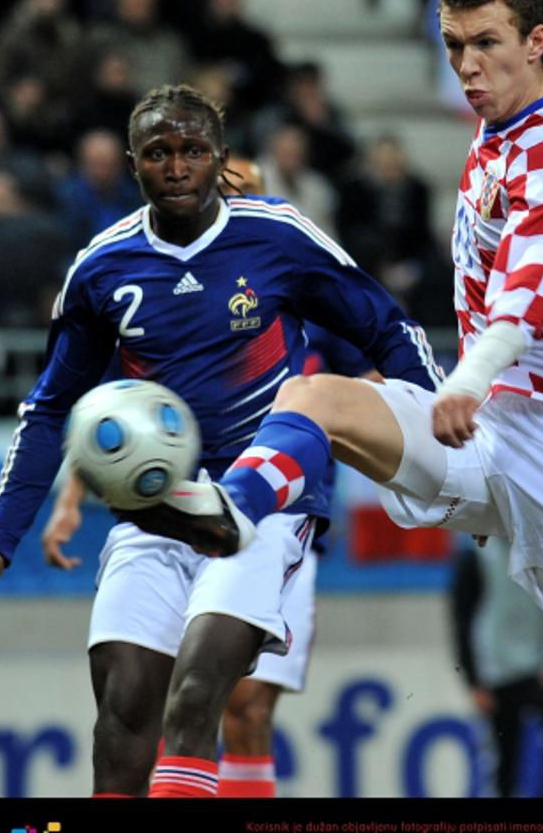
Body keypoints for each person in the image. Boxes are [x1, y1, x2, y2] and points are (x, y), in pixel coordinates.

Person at [135, 0, 543, 750]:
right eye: (453, 47)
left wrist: (467, 381)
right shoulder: (511, 116)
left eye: (486, 44)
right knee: (315, 397)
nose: (467, 67)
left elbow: (531, 291)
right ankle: (229, 513)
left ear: (538, 44)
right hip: (484, 432)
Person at [0, 84, 442, 798]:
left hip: (263, 508)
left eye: (193, 150)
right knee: (122, 720)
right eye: (158, 153)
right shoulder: (102, 268)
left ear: (220, 158)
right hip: (154, 509)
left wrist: (446, 456)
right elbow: (48, 412)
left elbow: (387, 328)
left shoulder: (278, 235)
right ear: (133, 164)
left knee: (199, 700)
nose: (176, 166)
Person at [38, 154, 375, 798]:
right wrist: (71, 499)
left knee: (242, 709)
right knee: (160, 707)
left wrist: (327, 415)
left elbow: (377, 377)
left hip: (274, 515)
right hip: (175, 511)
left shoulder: (296, 286)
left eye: (240, 187)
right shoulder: (155, 302)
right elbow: (114, 424)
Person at [451, 537, 543, 797]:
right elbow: (462, 620)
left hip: (538, 668)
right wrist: (473, 681)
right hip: (496, 674)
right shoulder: (476, 557)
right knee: (505, 758)